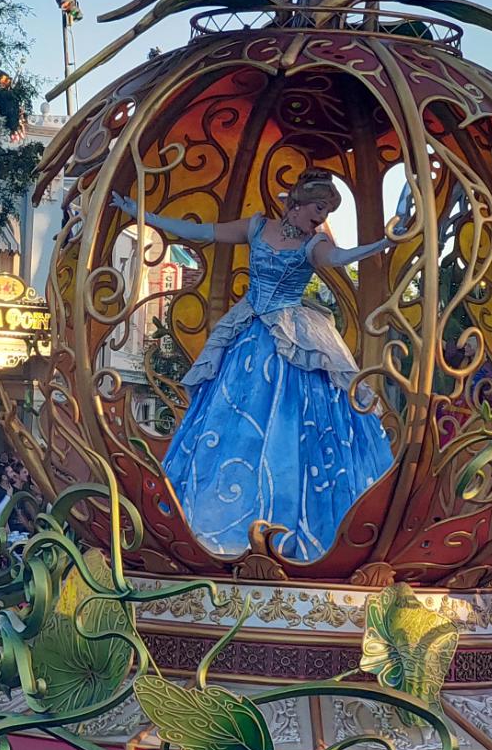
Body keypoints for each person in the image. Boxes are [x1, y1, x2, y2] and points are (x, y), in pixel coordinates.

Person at [112, 167, 396, 561]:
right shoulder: (257, 227)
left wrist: (383, 242)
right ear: (298, 203)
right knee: (229, 421)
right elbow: (202, 232)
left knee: (293, 424)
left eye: (328, 211)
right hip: (248, 335)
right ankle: (209, 518)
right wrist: (142, 214)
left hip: (292, 339)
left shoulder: (314, 243)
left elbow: (340, 257)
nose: (322, 218)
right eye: (319, 208)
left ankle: (291, 520)